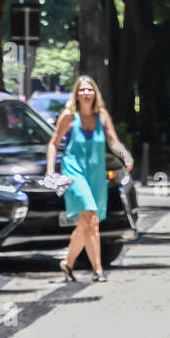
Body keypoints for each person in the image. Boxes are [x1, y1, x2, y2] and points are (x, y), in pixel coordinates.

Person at [46, 75, 134, 283]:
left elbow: (113, 142)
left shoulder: (101, 116)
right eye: (82, 90)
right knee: (91, 217)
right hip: (73, 172)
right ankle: (98, 269)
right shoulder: (69, 116)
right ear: (76, 94)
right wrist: (51, 171)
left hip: (95, 173)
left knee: (86, 222)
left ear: (95, 93)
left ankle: (67, 264)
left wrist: (125, 155)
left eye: (90, 90)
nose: (86, 93)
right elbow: (53, 143)